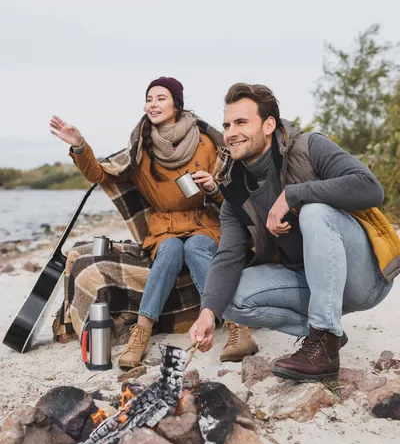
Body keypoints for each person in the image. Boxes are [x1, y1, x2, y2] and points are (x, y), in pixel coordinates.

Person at [189, 82, 400, 381]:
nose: (231, 132)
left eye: (241, 122)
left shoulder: (309, 147)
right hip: (313, 283)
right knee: (228, 299)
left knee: (315, 211)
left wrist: (294, 195)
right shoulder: (235, 189)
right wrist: (208, 312)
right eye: (226, 124)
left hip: (363, 278)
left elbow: (370, 188)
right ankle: (326, 336)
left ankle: (324, 337)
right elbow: (228, 258)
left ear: (268, 124)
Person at [50, 77, 258, 368]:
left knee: (197, 246)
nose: (153, 104)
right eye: (149, 99)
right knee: (172, 250)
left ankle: (238, 327)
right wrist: (80, 145)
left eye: (161, 98)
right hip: (164, 228)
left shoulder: (207, 142)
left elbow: (233, 197)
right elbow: (101, 174)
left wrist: (213, 187)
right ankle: (141, 332)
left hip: (203, 223)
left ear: (176, 103)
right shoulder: (140, 147)